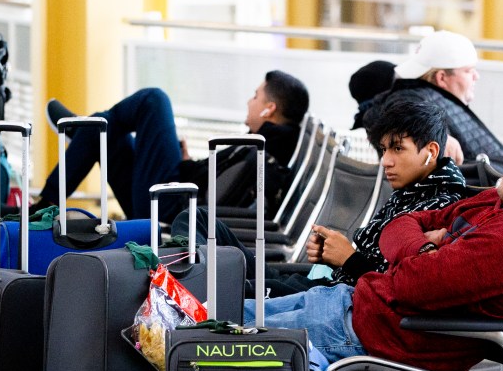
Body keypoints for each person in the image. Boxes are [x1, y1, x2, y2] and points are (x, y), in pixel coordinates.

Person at [243, 137, 503, 371]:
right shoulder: (497, 200)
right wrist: (426, 250)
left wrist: (420, 252)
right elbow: (401, 223)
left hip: (369, 333)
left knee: (215, 341)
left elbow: (407, 285)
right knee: (209, 313)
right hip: (352, 304)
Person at [174, 96, 468, 298]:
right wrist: (330, 256)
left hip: (329, 300)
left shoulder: (438, 209)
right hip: (317, 282)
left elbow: (398, 288)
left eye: (397, 149)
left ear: (430, 151)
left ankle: (191, 282)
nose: (385, 161)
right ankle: (196, 277)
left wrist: (347, 258)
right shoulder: (411, 192)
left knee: (224, 286)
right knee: (197, 218)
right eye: (384, 150)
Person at [35, 70, 309, 223]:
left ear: (268, 109)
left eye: (256, 96)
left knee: (154, 100)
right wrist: (188, 161)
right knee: (106, 134)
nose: (250, 101)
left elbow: (220, 197)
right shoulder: (269, 144)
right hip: (175, 202)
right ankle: (82, 138)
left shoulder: (263, 146)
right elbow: (223, 185)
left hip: (171, 209)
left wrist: (187, 165)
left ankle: (81, 130)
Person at [366, 30, 503, 170]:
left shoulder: (428, 94)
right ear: (441, 77)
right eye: (468, 71)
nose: (476, 76)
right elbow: (400, 110)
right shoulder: (411, 95)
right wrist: (432, 134)